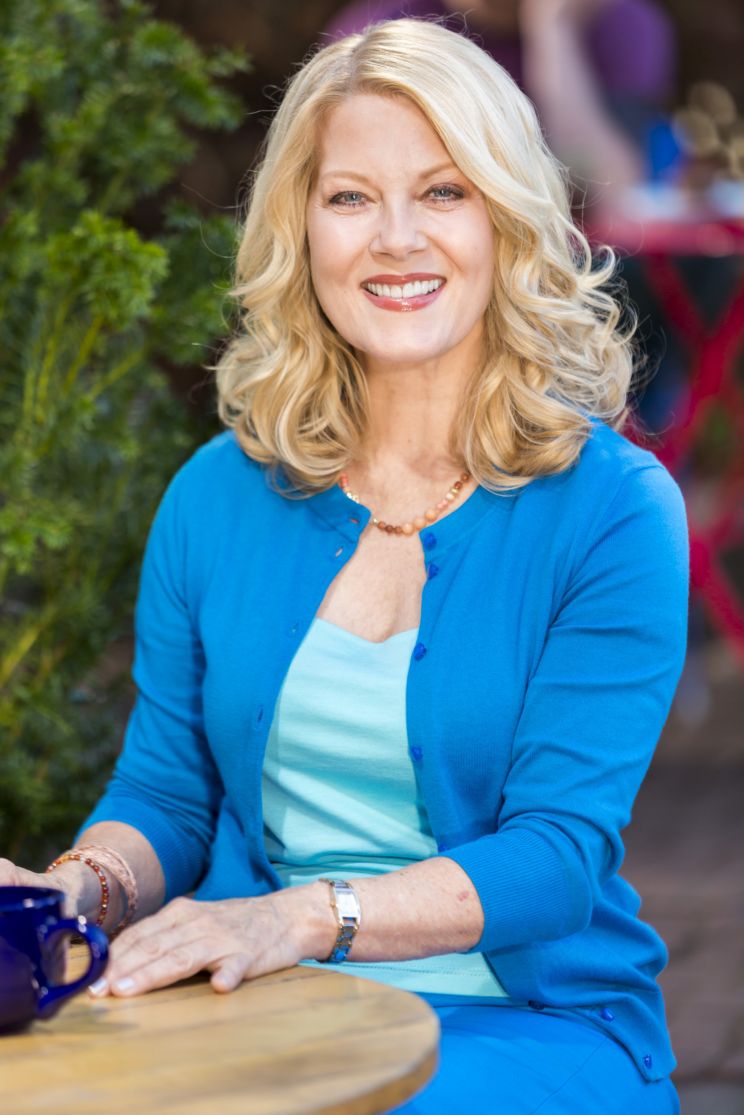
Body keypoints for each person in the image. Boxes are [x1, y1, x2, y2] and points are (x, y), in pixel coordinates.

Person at [1, 19, 688, 1113]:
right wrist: (66, 892)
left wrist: (301, 916)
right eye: (351, 197)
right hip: (258, 1010)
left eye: (444, 192)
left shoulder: (613, 511)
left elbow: (556, 854)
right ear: (302, 228)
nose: (396, 239)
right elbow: (168, 793)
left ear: (508, 221)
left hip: (527, 1023)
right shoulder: (217, 495)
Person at [325, 0, 678, 211]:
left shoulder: (621, 23)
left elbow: (607, 190)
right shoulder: (381, 32)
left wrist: (554, 30)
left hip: (589, 270)